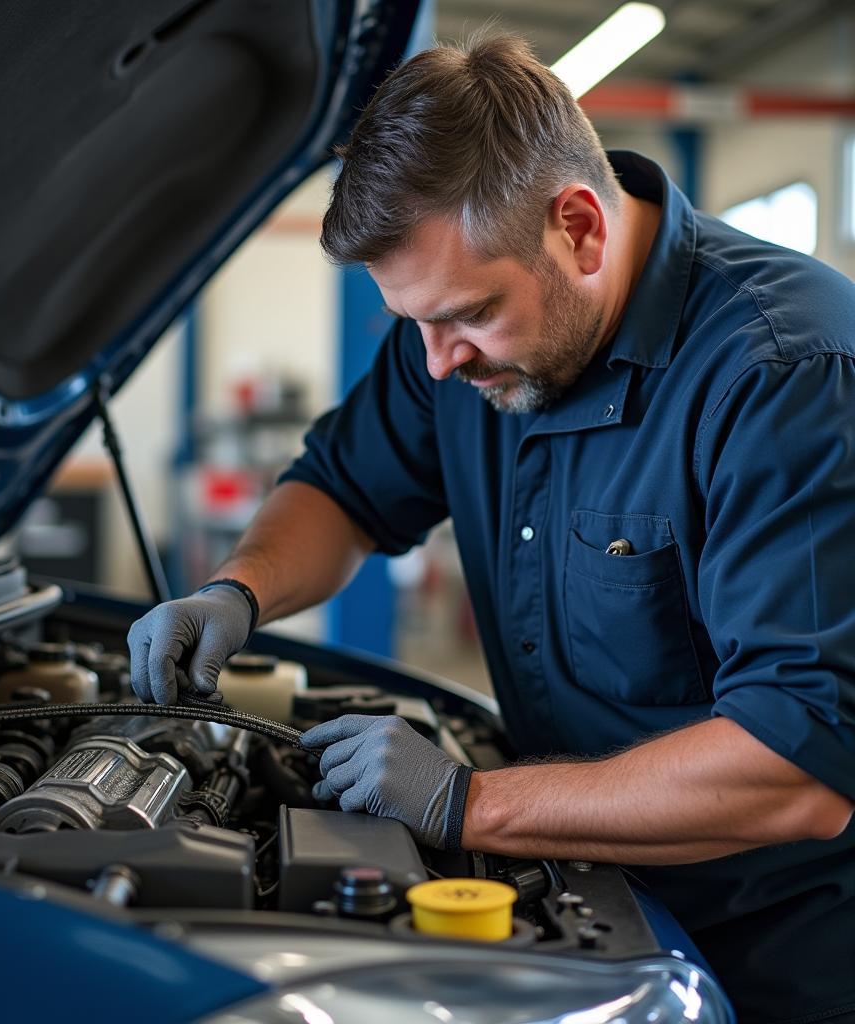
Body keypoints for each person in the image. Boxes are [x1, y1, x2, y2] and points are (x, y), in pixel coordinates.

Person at [128, 34, 855, 1024]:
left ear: (580, 229)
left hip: (773, 956)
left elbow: (799, 765)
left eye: (466, 316)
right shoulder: (464, 340)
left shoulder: (784, 373)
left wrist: (470, 803)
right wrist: (237, 589)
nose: (434, 364)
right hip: (593, 899)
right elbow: (340, 489)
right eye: (413, 323)